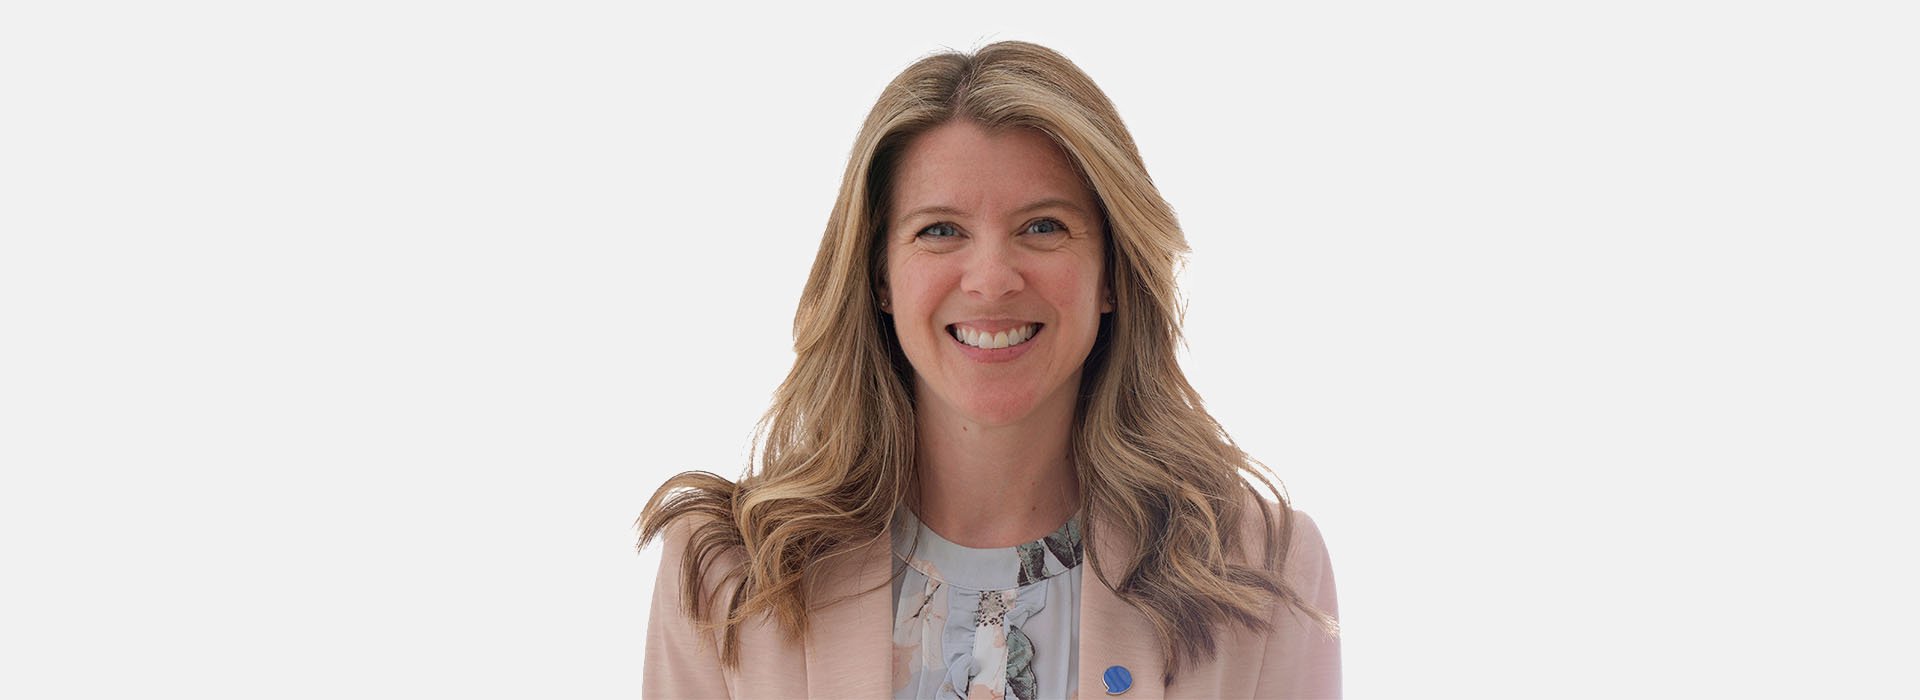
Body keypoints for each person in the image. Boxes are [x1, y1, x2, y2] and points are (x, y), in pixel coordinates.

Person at [637, 40, 1340, 699]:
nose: (992, 280)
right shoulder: (730, 574)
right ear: (880, 275)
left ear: (1112, 277)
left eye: (1043, 227)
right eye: (939, 230)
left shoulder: (1257, 573)